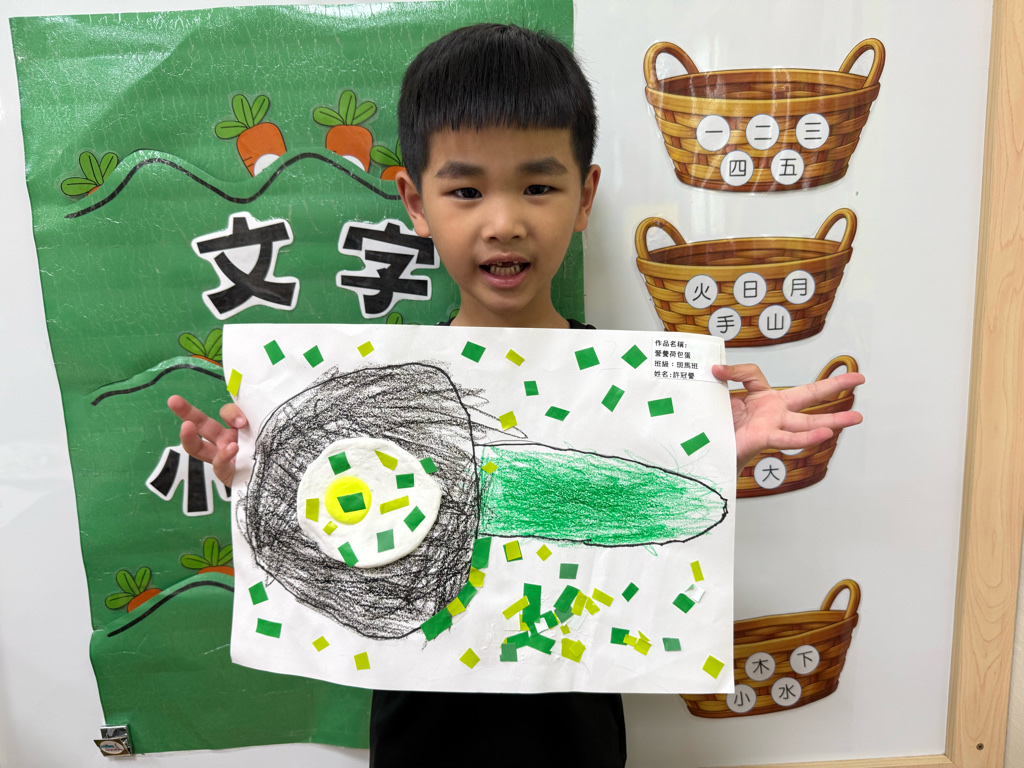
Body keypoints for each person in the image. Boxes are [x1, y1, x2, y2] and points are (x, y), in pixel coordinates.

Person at [169, 23, 864, 767]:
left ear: (584, 197)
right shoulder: (377, 394)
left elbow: (665, 509)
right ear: (415, 202)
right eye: (466, 191)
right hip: (419, 743)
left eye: (538, 187)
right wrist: (254, 472)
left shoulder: (630, 393)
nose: (504, 223)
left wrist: (718, 444)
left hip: (576, 744)